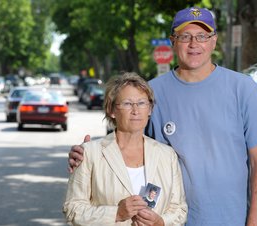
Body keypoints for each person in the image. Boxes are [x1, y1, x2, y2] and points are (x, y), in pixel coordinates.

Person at [68, 6, 257, 226]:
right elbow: (126, 143)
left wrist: (255, 223)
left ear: (214, 40)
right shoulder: (151, 93)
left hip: (230, 219)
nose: (194, 44)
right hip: (167, 220)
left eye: (202, 36)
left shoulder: (243, 89)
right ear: (173, 41)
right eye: (185, 36)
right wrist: (87, 158)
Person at [63, 72, 187, 226]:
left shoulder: (167, 155)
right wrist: (116, 213)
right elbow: (72, 209)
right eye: (127, 103)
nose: (135, 110)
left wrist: (161, 222)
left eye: (142, 103)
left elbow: (179, 209)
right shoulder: (89, 153)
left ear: (150, 109)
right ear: (111, 110)